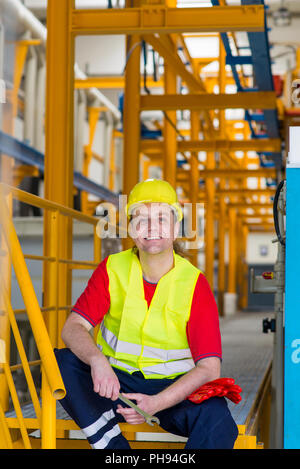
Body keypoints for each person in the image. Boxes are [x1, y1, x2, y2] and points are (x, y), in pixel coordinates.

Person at [54, 179, 238, 449]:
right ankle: (114, 448)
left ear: (176, 228)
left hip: (171, 392)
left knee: (218, 418)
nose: (152, 228)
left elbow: (209, 369)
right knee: (62, 362)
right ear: (131, 228)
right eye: (142, 219)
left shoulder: (194, 284)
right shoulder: (112, 268)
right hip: (114, 385)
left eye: (162, 218)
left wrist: (156, 403)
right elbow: (72, 327)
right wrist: (97, 362)